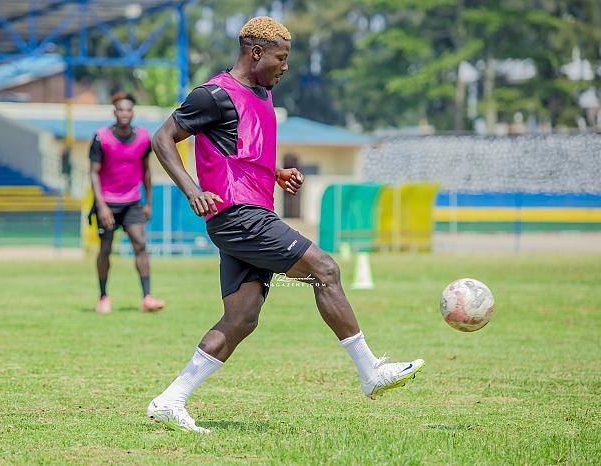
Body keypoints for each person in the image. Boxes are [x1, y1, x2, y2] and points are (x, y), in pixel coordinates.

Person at [148, 16, 424, 433]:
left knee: (242, 317)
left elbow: (239, 150)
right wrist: (192, 190)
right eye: (281, 57)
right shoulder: (213, 94)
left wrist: (274, 172)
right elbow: (162, 138)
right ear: (257, 52)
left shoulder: (261, 94)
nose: (285, 66)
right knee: (324, 269)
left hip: (251, 211)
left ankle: (170, 400)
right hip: (238, 215)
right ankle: (370, 372)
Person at [89, 92, 165, 314]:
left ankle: (147, 297)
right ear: (114, 112)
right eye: (120, 110)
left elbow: (146, 171)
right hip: (107, 202)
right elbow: (93, 173)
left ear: (133, 112)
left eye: (128, 110)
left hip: (132, 201)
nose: (124, 113)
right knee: (106, 248)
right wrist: (101, 206)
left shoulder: (143, 138)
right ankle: (103, 297)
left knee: (140, 244)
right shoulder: (101, 138)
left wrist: (148, 202)